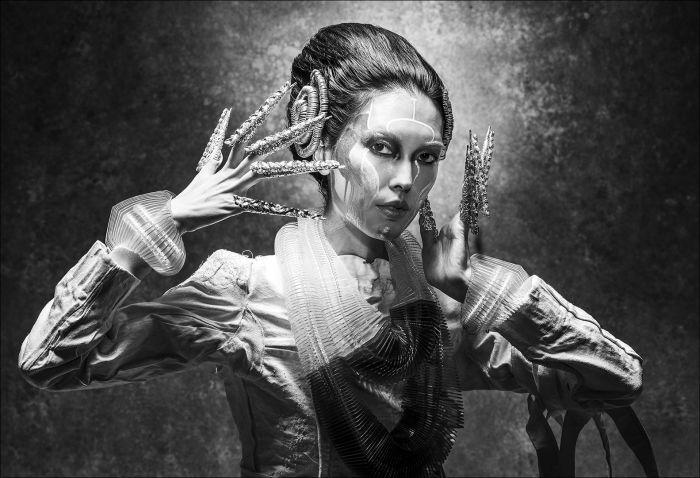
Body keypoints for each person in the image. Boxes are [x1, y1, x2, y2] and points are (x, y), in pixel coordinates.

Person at [18, 23, 649, 477]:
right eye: (383, 148)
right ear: (320, 142)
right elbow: (52, 362)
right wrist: (163, 222)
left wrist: (476, 284)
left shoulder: (440, 307)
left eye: (427, 157)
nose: (406, 180)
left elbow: (615, 380)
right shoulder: (249, 291)